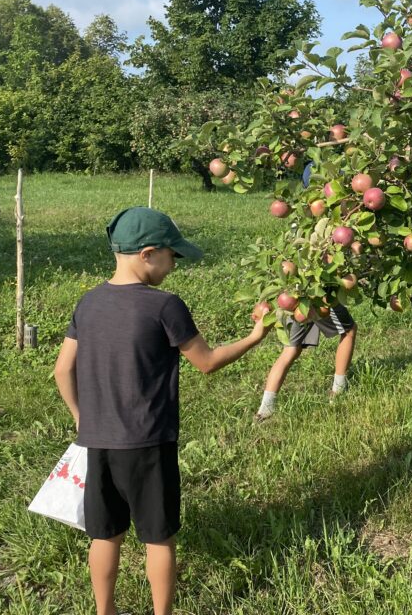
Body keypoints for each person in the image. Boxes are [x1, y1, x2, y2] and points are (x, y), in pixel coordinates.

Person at [53, 206, 270, 615]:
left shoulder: (88, 303)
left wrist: (82, 418)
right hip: (148, 442)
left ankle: (105, 611)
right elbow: (206, 361)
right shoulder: (164, 306)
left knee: (104, 534)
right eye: (173, 255)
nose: (174, 265)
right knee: (158, 538)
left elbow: (62, 370)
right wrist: (255, 337)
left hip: (97, 442)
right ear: (149, 253)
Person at [255, 158, 359, 421]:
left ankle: (265, 408)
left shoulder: (298, 221)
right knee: (347, 330)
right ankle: (338, 390)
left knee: (292, 349)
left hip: (294, 295)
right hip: (316, 296)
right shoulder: (327, 221)